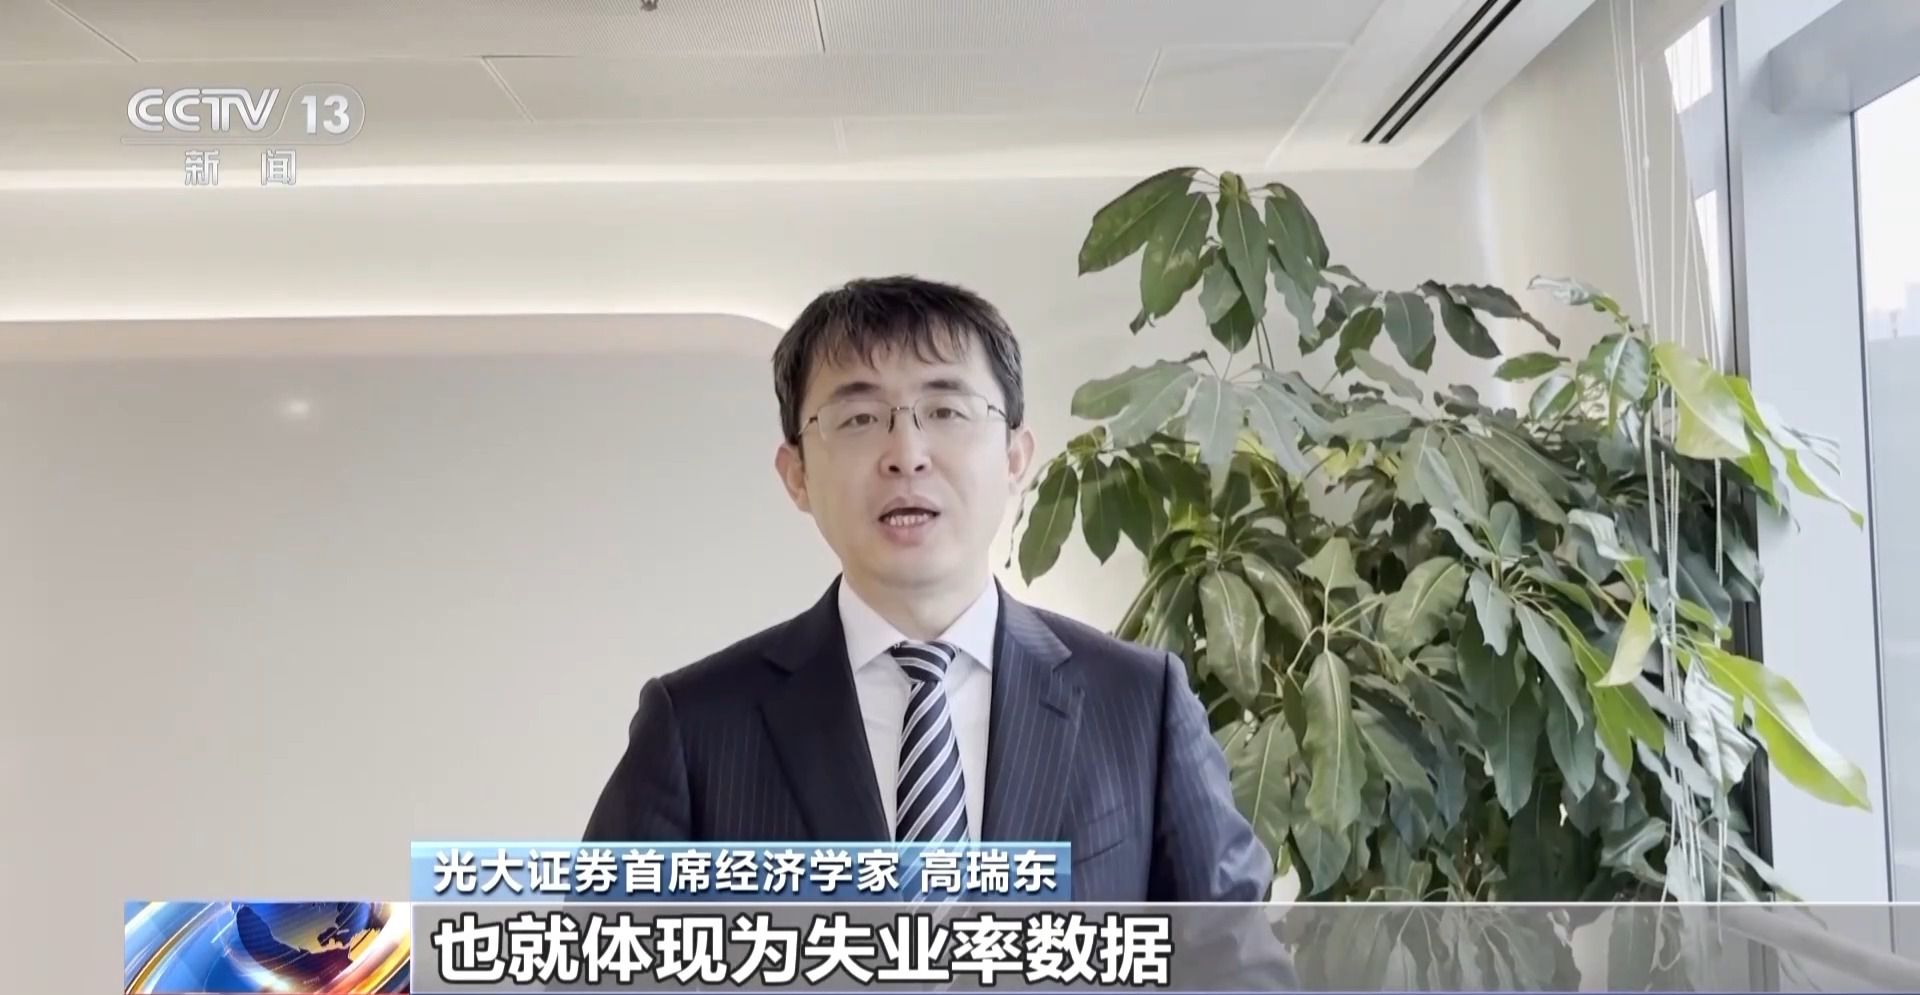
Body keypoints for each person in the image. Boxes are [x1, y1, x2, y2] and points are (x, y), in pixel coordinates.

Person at [582, 275, 1276, 907]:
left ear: (1014, 457)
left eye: (946, 410)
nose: (907, 454)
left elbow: (1237, 969)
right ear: (797, 475)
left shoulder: (1139, 703)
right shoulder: (696, 727)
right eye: (859, 418)